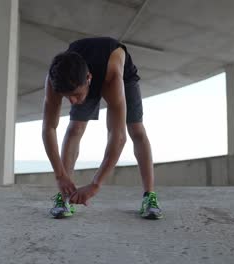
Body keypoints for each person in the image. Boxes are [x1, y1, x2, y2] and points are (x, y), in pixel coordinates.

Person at [42, 37, 162, 219]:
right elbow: (49, 128)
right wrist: (60, 176)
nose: (73, 102)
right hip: (79, 77)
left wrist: (95, 185)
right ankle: (64, 196)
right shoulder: (55, 79)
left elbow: (118, 135)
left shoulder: (112, 77)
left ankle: (150, 197)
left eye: (75, 95)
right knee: (75, 128)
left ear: (89, 79)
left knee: (136, 130)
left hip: (119, 72)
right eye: (67, 97)